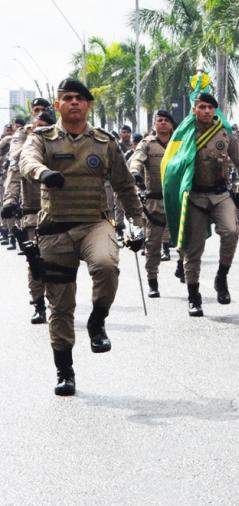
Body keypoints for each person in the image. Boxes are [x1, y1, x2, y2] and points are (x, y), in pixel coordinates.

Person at [20, 78, 145, 396]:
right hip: (55, 229)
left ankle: (98, 319)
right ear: (58, 104)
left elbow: (125, 184)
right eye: (67, 98)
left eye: (80, 98)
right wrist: (42, 173)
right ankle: (65, 371)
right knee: (60, 307)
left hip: (94, 223)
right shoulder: (42, 138)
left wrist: (138, 222)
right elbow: (27, 161)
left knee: (105, 264)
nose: (74, 102)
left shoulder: (104, 142)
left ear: (88, 105)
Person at [181, 92, 239, 316]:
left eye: (211, 107)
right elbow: (171, 165)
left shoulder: (225, 132)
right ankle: (194, 296)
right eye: (202, 107)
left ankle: (222, 277)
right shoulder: (184, 133)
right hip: (194, 197)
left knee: (231, 232)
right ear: (194, 109)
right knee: (193, 249)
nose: (207, 111)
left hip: (221, 194)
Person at [1, 111, 56, 323]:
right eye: (33, 128)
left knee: (57, 263)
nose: (35, 132)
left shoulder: (59, 154)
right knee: (34, 261)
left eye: (41, 128)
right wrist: (9, 202)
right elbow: (13, 181)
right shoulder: (22, 157)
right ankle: (38, 305)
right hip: (32, 215)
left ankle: (57, 304)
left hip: (58, 215)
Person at [128, 110, 176, 299]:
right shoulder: (147, 143)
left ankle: (185, 271)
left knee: (186, 242)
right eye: (159, 120)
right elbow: (136, 161)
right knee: (153, 244)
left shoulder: (179, 143)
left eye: (166, 121)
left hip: (177, 200)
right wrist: (135, 173)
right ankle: (152, 282)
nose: (162, 123)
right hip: (154, 202)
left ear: (172, 124)